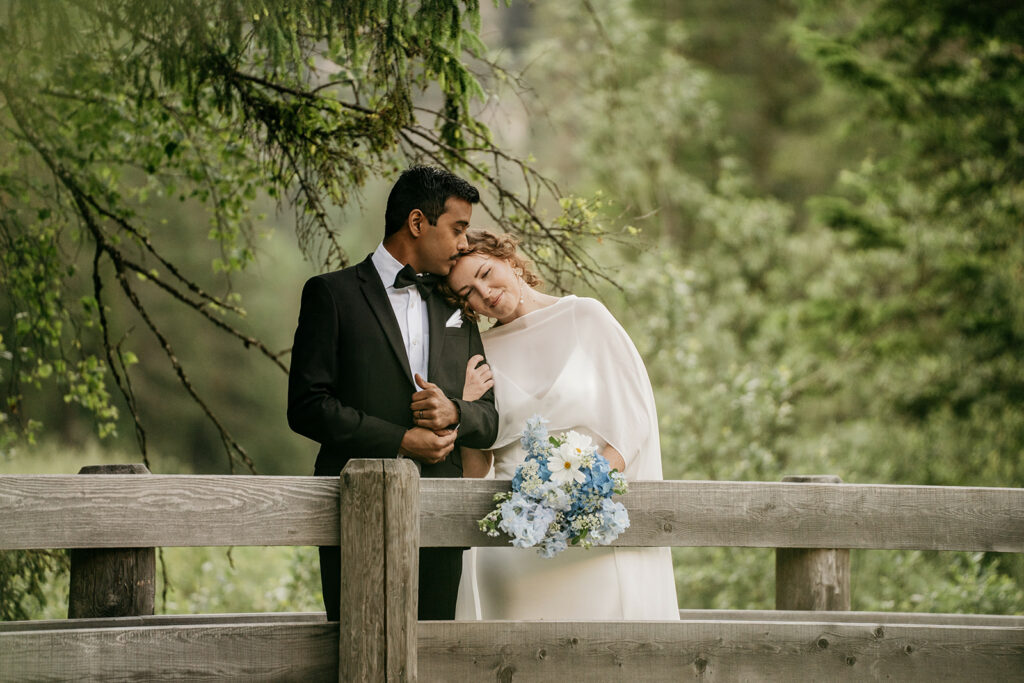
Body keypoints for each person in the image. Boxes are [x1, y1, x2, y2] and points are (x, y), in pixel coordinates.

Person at [287, 166, 499, 621]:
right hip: (356, 509)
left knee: (436, 654)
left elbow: (489, 417)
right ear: (418, 222)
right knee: (356, 648)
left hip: (443, 514)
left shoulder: (456, 307)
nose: (466, 243)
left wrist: (455, 412)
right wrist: (401, 441)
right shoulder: (331, 294)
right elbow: (307, 407)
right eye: (458, 228)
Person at [447, 229, 680, 620]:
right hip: (515, 546)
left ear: (508, 258)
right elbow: (475, 472)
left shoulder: (585, 316)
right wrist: (467, 408)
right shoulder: (481, 353)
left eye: (485, 273)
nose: (483, 293)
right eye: (468, 292)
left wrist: (579, 498)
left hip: (588, 538)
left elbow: (633, 424)